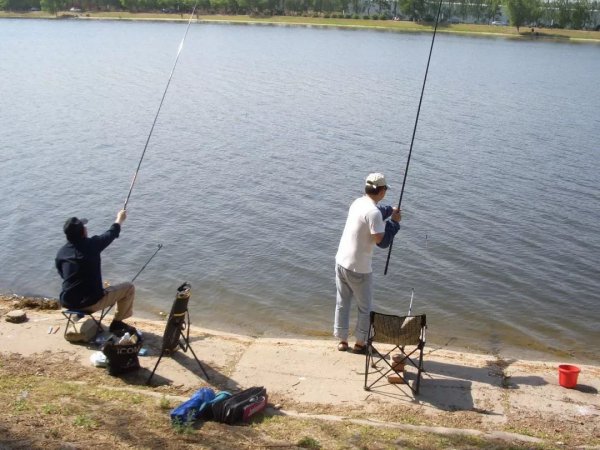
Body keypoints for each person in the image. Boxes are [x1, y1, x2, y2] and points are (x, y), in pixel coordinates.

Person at [334, 173, 401, 354]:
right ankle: (361, 343)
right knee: (365, 308)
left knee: (343, 303)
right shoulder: (373, 213)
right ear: (381, 191)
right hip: (360, 269)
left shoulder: (358, 202)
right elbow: (382, 242)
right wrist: (394, 223)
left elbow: (377, 212)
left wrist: (389, 210)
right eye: (385, 189)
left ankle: (342, 341)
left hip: (341, 262)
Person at [55, 209, 136, 334]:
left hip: (67, 302)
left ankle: (78, 316)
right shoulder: (92, 245)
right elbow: (111, 233)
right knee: (129, 287)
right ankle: (117, 323)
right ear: (83, 232)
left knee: (81, 284)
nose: (86, 228)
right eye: (84, 227)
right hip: (89, 303)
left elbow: (64, 275)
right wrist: (120, 219)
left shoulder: (61, 253)